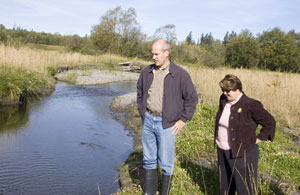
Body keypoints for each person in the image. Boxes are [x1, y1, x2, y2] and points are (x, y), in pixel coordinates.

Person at [137, 40, 198, 195]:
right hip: (149, 120)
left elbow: (192, 98)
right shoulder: (146, 72)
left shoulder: (180, 74)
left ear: (166, 53)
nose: (153, 57)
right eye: (152, 53)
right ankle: (149, 192)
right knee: (149, 159)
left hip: (168, 124)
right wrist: (142, 112)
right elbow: (139, 93)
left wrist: (183, 119)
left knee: (165, 162)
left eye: (156, 54)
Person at [215, 74, 276, 195]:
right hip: (222, 150)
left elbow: (270, 122)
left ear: (238, 89)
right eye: (224, 90)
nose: (226, 93)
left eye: (229, 91)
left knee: (245, 188)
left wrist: (259, 138)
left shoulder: (251, 105)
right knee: (225, 187)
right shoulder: (223, 99)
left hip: (242, 152)